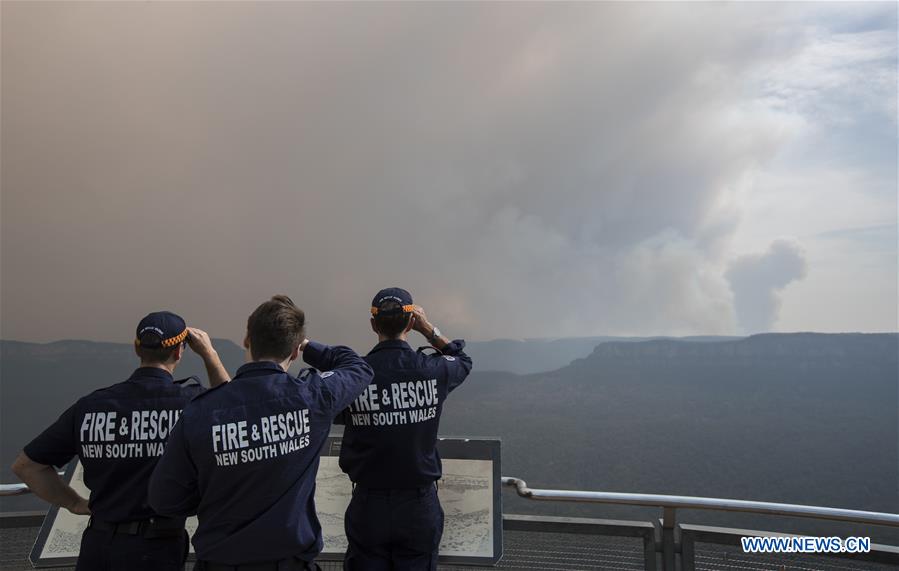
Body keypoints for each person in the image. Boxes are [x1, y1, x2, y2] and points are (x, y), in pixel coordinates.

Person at [148, 295, 375, 571]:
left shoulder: (200, 412)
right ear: (293, 352)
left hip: (220, 562)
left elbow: (164, 499)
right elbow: (357, 367)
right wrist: (306, 344)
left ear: (247, 339)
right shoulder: (313, 398)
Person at [11, 311, 231, 571]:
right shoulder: (191, 404)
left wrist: (74, 503)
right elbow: (231, 410)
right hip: (157, 548)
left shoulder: (91, 406)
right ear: (180, 352)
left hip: (98, 546)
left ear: (137, 347)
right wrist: (210, 354)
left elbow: (27, 466)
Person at [339, 287, 473, 571]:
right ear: (411, 324)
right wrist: (429, 329)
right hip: (418, 506)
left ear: (373, 324)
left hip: (368, 505)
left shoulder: (355, 376)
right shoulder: (431, 370)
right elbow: (462, 361)